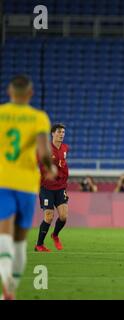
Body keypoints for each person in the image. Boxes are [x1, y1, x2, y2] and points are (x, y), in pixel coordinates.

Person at [0, 75, 56, 299]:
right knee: (20, 241)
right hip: (26, 183)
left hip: (2, 180)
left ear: (9, 92)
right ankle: (10, 290)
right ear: (31, 93)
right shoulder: (38, 117)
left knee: (3, 234)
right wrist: (50, 168)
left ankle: (5, 284)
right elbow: (43, 151)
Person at [35, 123, 69, 252]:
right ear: (52, 133)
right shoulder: (45, 149)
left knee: (64, 216)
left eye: (63, 132)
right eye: (59, 132)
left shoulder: (65, 148)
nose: (61, 134)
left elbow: (63, 164)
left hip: (60, 187)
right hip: (46, 187)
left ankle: (55, 235)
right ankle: (39, 245)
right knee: (49, 216)